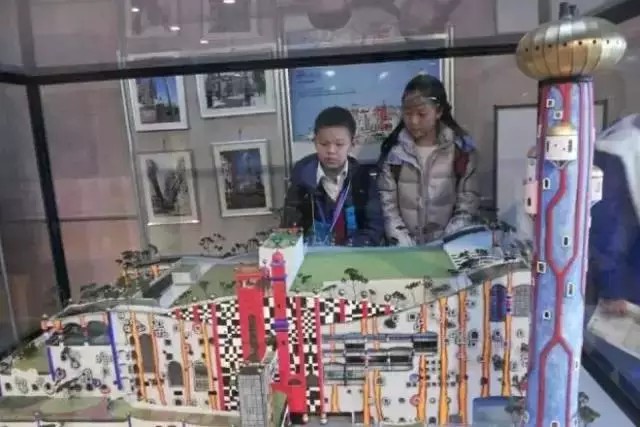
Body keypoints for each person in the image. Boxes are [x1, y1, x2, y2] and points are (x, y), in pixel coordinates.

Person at [377, 74, 480, 246]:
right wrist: (405, 245)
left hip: (448, 246)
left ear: (439, 111)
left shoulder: (461, 151)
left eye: (422, 114)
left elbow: (467, 205)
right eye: (407, 114)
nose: (413, 121)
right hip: (404, 250)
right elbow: (388, 208)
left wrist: (445, 244)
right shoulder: (394, 154)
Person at [281, 106, 385, 246]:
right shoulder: (301, 179)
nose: (331, 150)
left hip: (355, 253)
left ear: (352, 144)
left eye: (339, 144)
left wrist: (351, 247)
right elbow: (289, 228)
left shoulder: (363, 180)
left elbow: (374, 228)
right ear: (315, 142)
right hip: (314, 254)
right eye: (324, 144)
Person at [589, 114, 640, 315]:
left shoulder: (623, 129)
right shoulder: (618, 149)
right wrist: (613, 288)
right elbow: (609, 226)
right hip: (621, 279)